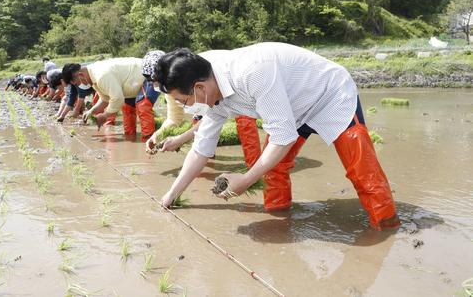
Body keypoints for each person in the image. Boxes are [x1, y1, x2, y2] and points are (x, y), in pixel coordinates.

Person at [152, 42, 399, 231]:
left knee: (361, 169)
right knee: (273, 168)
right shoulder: (207, 86)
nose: (185, 108)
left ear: (199, 88)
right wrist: (171, 195)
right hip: (289, 108)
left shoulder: (251, 72)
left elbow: (283, 137)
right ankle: (279, 220)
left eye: (184, 102)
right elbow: (201, 150)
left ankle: (386, 227)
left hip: (328, 95)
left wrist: (246, 179)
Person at [143, 51, 263, 172]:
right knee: (203, 137)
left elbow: (210, 117)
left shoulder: (189, 74)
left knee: (245, 125)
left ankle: (255, 170)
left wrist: (180, 139)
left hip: (238, 91)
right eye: (154, 83)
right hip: (214, 99)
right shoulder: (171, 88)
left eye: (157, 81)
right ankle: (207, 162)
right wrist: (156, 136)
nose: (157, 86)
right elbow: (174, 118)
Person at [61, 58, 159, 138]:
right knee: (127, 108)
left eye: (78, 83)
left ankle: (148, 139)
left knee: (142, 105)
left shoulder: (101, 76)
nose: (79, 86)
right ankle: (131, 136)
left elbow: (117, 99)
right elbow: (105, 100)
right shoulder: (93, 78)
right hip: (132, 84)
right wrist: (91, 111)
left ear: (80, 75)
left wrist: (104, 116)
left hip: (148, 75)